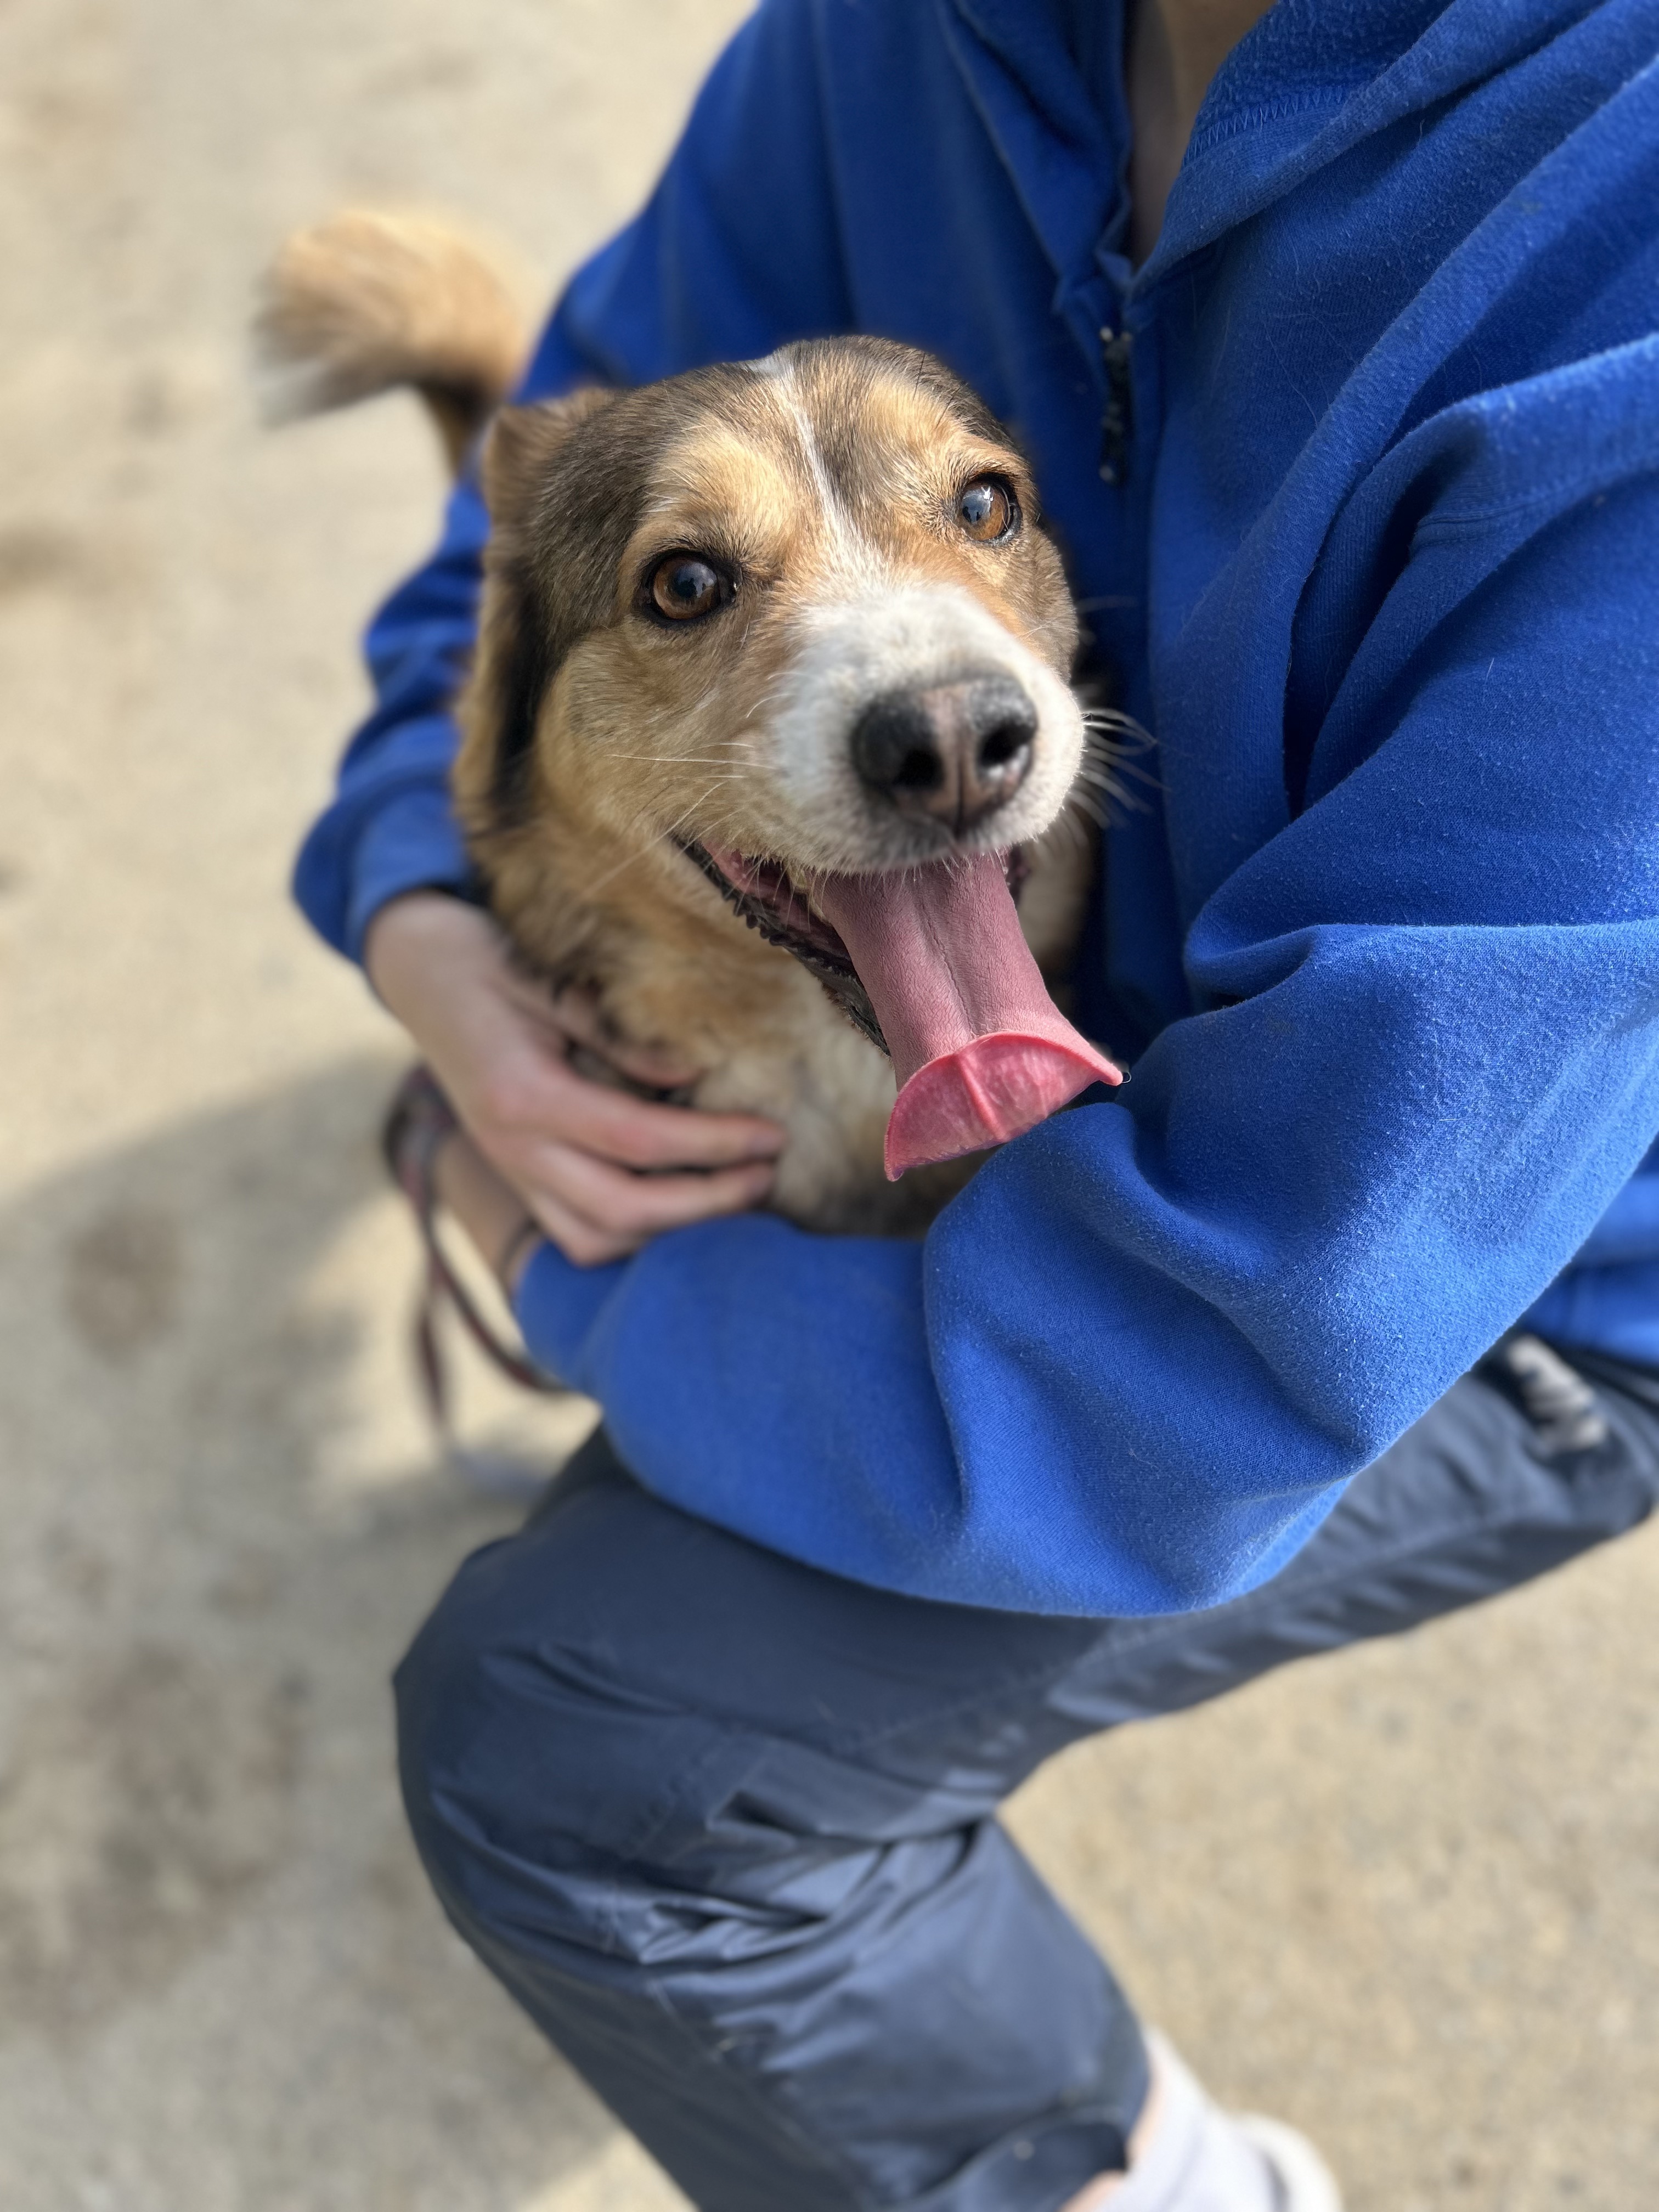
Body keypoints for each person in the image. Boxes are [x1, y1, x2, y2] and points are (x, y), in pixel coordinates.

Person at [295, 1, 1659, 2205]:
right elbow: (517, 552)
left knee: (581, 1751)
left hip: (1506, 1266)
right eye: (695, 584)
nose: (946, 710)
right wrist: (423, 929)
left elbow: (1218, 1360)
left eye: (985, 509)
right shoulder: (893, 36)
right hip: (1012, 1052)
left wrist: (567, 1267)